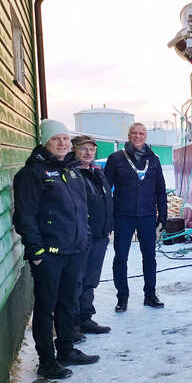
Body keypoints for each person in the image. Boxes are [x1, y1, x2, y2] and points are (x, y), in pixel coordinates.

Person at [12, 119, 100, 379]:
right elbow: (24, 216)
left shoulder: (72, 171)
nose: (62, 143)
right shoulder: (32, 174)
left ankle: (66, 349)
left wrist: (84, 240)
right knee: (45, 308)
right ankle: (47, 362)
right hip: (49, 255)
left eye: (65, 138)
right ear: (45, 142)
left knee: (68, 303)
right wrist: (36, 252)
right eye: (55, 138)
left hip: (74, 251)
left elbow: (81, 210)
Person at [104, 122, 168, 311]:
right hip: (123, 215)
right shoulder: (116, 159)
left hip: (147, 215)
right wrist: (108, 217)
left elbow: (161, 190)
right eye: (134, 133)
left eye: (141, 133)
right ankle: (122, 297)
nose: (137, 136)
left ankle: (150, 295)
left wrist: (163, 217)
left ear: (145, 136)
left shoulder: (153, 160)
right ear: (129, 135)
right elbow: (105, 190)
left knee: (149, 256)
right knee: (121, 257)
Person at [69, 135, 113, 334]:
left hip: (100, 234)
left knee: (90, 279)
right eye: (83, 149)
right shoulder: (71, 173)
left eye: (92, 149)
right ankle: (72, 323)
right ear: (74, 150)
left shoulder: (96, 172)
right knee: (76, 280)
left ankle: (85, 317)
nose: (88, 153)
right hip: (81, 237)